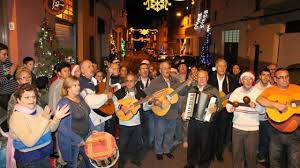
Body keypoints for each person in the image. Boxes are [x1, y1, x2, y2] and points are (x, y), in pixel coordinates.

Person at [9, 84, 70, 168]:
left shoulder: (38, 109)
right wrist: (44, 119)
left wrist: (57, 118)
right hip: (29, 159)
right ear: (18, 100)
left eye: (33, 97)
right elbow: (29, 142)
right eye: (27, 97)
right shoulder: (17, 117)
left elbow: (51, 129)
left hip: (44, 154)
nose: (31, 100)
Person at [144, 61, 189, 160]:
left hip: (173, 111)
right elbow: (147, 92)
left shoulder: (175, 81)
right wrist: (155, 101)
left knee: (170, 132)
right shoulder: (155, 81)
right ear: (160, 70)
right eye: (164, 68)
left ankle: (167, 150)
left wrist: (187, 84)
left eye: (168, 68)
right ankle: (158, 151)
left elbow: (183, 92)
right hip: (160, 111)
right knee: (159, 133)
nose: (167, 70)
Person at [256, 68, 300, 168]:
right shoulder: (270, 90)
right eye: (281, 77)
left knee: (295, 162)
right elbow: (259, 99)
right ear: (275, 79)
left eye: (287, 76)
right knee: (275, 161)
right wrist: (275, 105)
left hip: (296, 133)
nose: (285, 79)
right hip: (275, 132)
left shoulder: (297, 88)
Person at [182, 70, 221, 168]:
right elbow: (185, 103)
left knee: (205, 146)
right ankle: (191, 163)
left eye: (204, 77)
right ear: (197, 78)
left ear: (207, 78)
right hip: (193, 122)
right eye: (200, 77)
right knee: (192, 145)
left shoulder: (213, 90)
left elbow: (220, 105)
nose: (202, 79)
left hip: (206, 123)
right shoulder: (192, 89)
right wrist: (184, 112)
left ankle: (203, 165)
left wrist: (216, 108)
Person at [57, 77, 95, 168]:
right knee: (72, 165)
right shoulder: (64, 103)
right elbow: (62, 127)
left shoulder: (79, 97)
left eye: (78, 85)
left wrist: (93, 129)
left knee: (90, 161)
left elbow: (86, 115)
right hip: (72, 140)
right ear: (68, 88)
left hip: (85, 136)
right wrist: (78, 139)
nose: (78, 87)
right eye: (75, 85)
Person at [226, 72, 259, 168]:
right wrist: (230, 108)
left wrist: (256, 106)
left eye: (250, 79)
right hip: (237, 127)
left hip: (252, 129)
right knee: (237, 155)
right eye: (245, 79)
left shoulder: (258, 92)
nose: (248, 81)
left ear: (253, 81)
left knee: (251, 156)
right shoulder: (236, 91)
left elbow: (263, 111)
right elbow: (229, 104)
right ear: (241, 81)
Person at [208, 58, 239, 161]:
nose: (222, 68)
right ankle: (211, 153)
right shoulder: (209, 78)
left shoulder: (231, 80)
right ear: (216, 67)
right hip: (212, 108)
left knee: (222, 132)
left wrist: (229, 102)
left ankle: (219, 152)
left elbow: (236, 95)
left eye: (224, 66)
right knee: (212, 131)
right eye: (220, 66)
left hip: (225, 110)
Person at [114, 74, 148, 168]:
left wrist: (149, 102)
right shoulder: (120, 93)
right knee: (122, 144)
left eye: (131, 81)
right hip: (123, 123)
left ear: (135, 81)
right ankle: (121, 161)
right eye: (127, 81)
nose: (129, 83)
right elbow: (113, 103)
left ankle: (134, 159)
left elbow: (145, 107)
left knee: (135, 142)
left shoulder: (141, 93)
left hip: (137, 123)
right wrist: (121, 106)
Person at [79, 60, 113, 131]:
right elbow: (90, 101)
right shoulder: (83, 83)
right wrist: (106, 96)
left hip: (97, 118)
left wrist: (109, 75)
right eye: (89, 67)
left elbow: (100, 87)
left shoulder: (89, 81)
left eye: (92, 66)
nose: (92, 68)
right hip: (92, 121)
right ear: (82, 70)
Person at [253, 68, 272, 165]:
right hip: (255, 118)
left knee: (264, 138)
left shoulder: (272, 89)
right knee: (254, 137)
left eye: (267, 75)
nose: (265, 77)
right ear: (260, 76)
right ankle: (253, 153)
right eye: (263, 74)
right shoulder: (254, 88)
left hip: (265, 118)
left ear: (270, 77)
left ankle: (261, 155)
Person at [136, 62, 154, 149]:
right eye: (142, 69)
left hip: (151, 109)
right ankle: (141, 144)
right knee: (140, 128)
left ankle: (149, 144)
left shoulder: (153, 82)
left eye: (146, 68)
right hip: (139, 109)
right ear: (139, 71)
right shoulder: (135, 82)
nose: (145, 70)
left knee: (150, 128)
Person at [0, 43, 17, 112]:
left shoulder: (6, 61)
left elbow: (13, 69)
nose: (6, 56)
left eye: (7, 54)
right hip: (5, 96)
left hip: (14, 92)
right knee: (9, 116)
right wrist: (10, 74)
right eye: (4, 54)